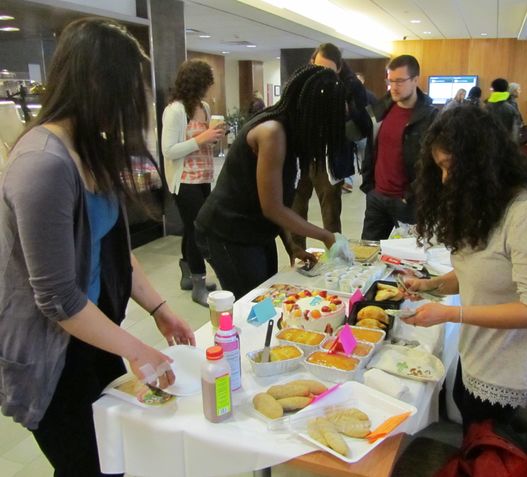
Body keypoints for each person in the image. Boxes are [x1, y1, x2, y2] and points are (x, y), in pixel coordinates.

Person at [0, 18, 194, 476]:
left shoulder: (89, 147)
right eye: (124, 93)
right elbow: (56, 297)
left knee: (114, 454)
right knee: (89, 464)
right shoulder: (42, 163)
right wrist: (138, 349)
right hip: (52, 351)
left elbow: (112, 246)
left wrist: (159, 308)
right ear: (93, 84)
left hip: (92, 333)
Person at [399, 106, 527, 432]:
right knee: (473, 430)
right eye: (440, 169)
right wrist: (430, 285)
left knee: (490, 447)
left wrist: (449, 314)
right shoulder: (486, 202)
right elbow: (480, 274)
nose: (446, 179)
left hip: (510, 366)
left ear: (480, 163)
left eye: (450, 168)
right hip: (479, 353)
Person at [195, 65, 348, 299]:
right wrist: (326, 236)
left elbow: (279, 201)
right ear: (312, 110)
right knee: (254, 303)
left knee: (269, 294)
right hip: (226, 230)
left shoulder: (291, 132)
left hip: (256, 230)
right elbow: (272, 207)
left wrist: (292, 246)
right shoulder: (272, 132)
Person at [290, 43, 372, 249]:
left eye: (327, 70)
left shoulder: (351, 85)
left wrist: (347, 114)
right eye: (317, 67)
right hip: (302, 155)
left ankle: (336, 257)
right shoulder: (302, 81)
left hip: (330, 158)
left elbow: (365, 126)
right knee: (296, 207)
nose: (321, 74)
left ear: (339, 68)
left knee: (331, 213)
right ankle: (297, 255)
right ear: (312, 62)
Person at [161, 59, 224, 306]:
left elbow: (205, 142)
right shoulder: (176, 110)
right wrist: (202, 139)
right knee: (199, 229)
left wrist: (215, 136)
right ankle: (198, 282)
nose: (210, 87)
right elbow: (169, 150)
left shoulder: (204, 107)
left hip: (204, 176)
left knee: (192, 227)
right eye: (208, 82)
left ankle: (188, 275)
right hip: (184, 180)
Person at [360, 54, 437, 241]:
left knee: (406, 260)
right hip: (377, 197)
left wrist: (411, 194)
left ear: (415, 80)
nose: (394, 86)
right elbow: (369, 145)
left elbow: (431, 165)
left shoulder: (430, 117)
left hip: (408, 203)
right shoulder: (382, 108)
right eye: (391, 80)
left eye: (400, 81)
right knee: (367, 255)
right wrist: (370, 187)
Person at [485, 77, 521, 143]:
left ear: (493, 89)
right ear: (507, 88)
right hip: (506, 142)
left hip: (489, 141)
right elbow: (515, 126)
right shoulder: (511, 105)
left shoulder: (485, 105)